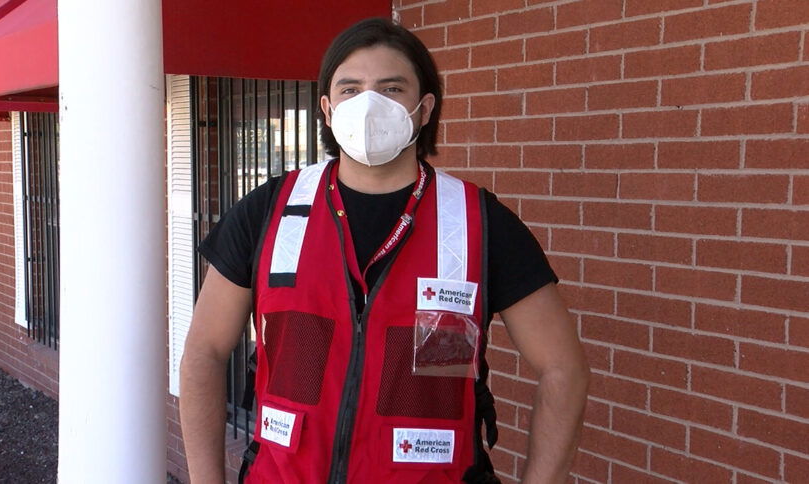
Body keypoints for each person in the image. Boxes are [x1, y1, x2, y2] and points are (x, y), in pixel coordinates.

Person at [180, 17, 589, 484]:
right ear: (327, 109)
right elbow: (204, 352)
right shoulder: (269, 212)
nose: (369, 105)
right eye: (350, 89)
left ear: (425, 107)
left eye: (392, 89)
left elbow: (563, 368)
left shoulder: (478, 221)